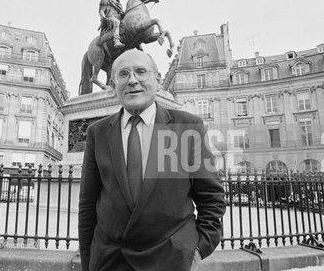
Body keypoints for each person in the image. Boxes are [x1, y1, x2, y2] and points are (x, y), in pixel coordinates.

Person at [78, 49, 226, 271]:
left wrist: (198, 250)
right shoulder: (97, 132)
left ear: (157, 80)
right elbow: (87, 204)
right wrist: (88, 263)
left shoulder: (186, 127)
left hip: (170, 259)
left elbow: (211, 197)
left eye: (140, 72)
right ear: (113, 84)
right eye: (123, 74)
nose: (132, 80)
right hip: (110, 260)